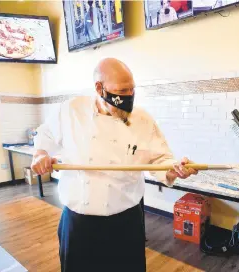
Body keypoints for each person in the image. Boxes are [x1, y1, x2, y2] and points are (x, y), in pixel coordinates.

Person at [31, 58, 198, 272]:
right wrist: (40, 155)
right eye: (122, 90)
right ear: (99, 88)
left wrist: (176, 169)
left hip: (125, 222)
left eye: (132, 90)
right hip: (79, 223)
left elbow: (160, 160)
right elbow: (44, 136)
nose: (128, 96)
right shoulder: (71, 111)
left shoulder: (143, 120)